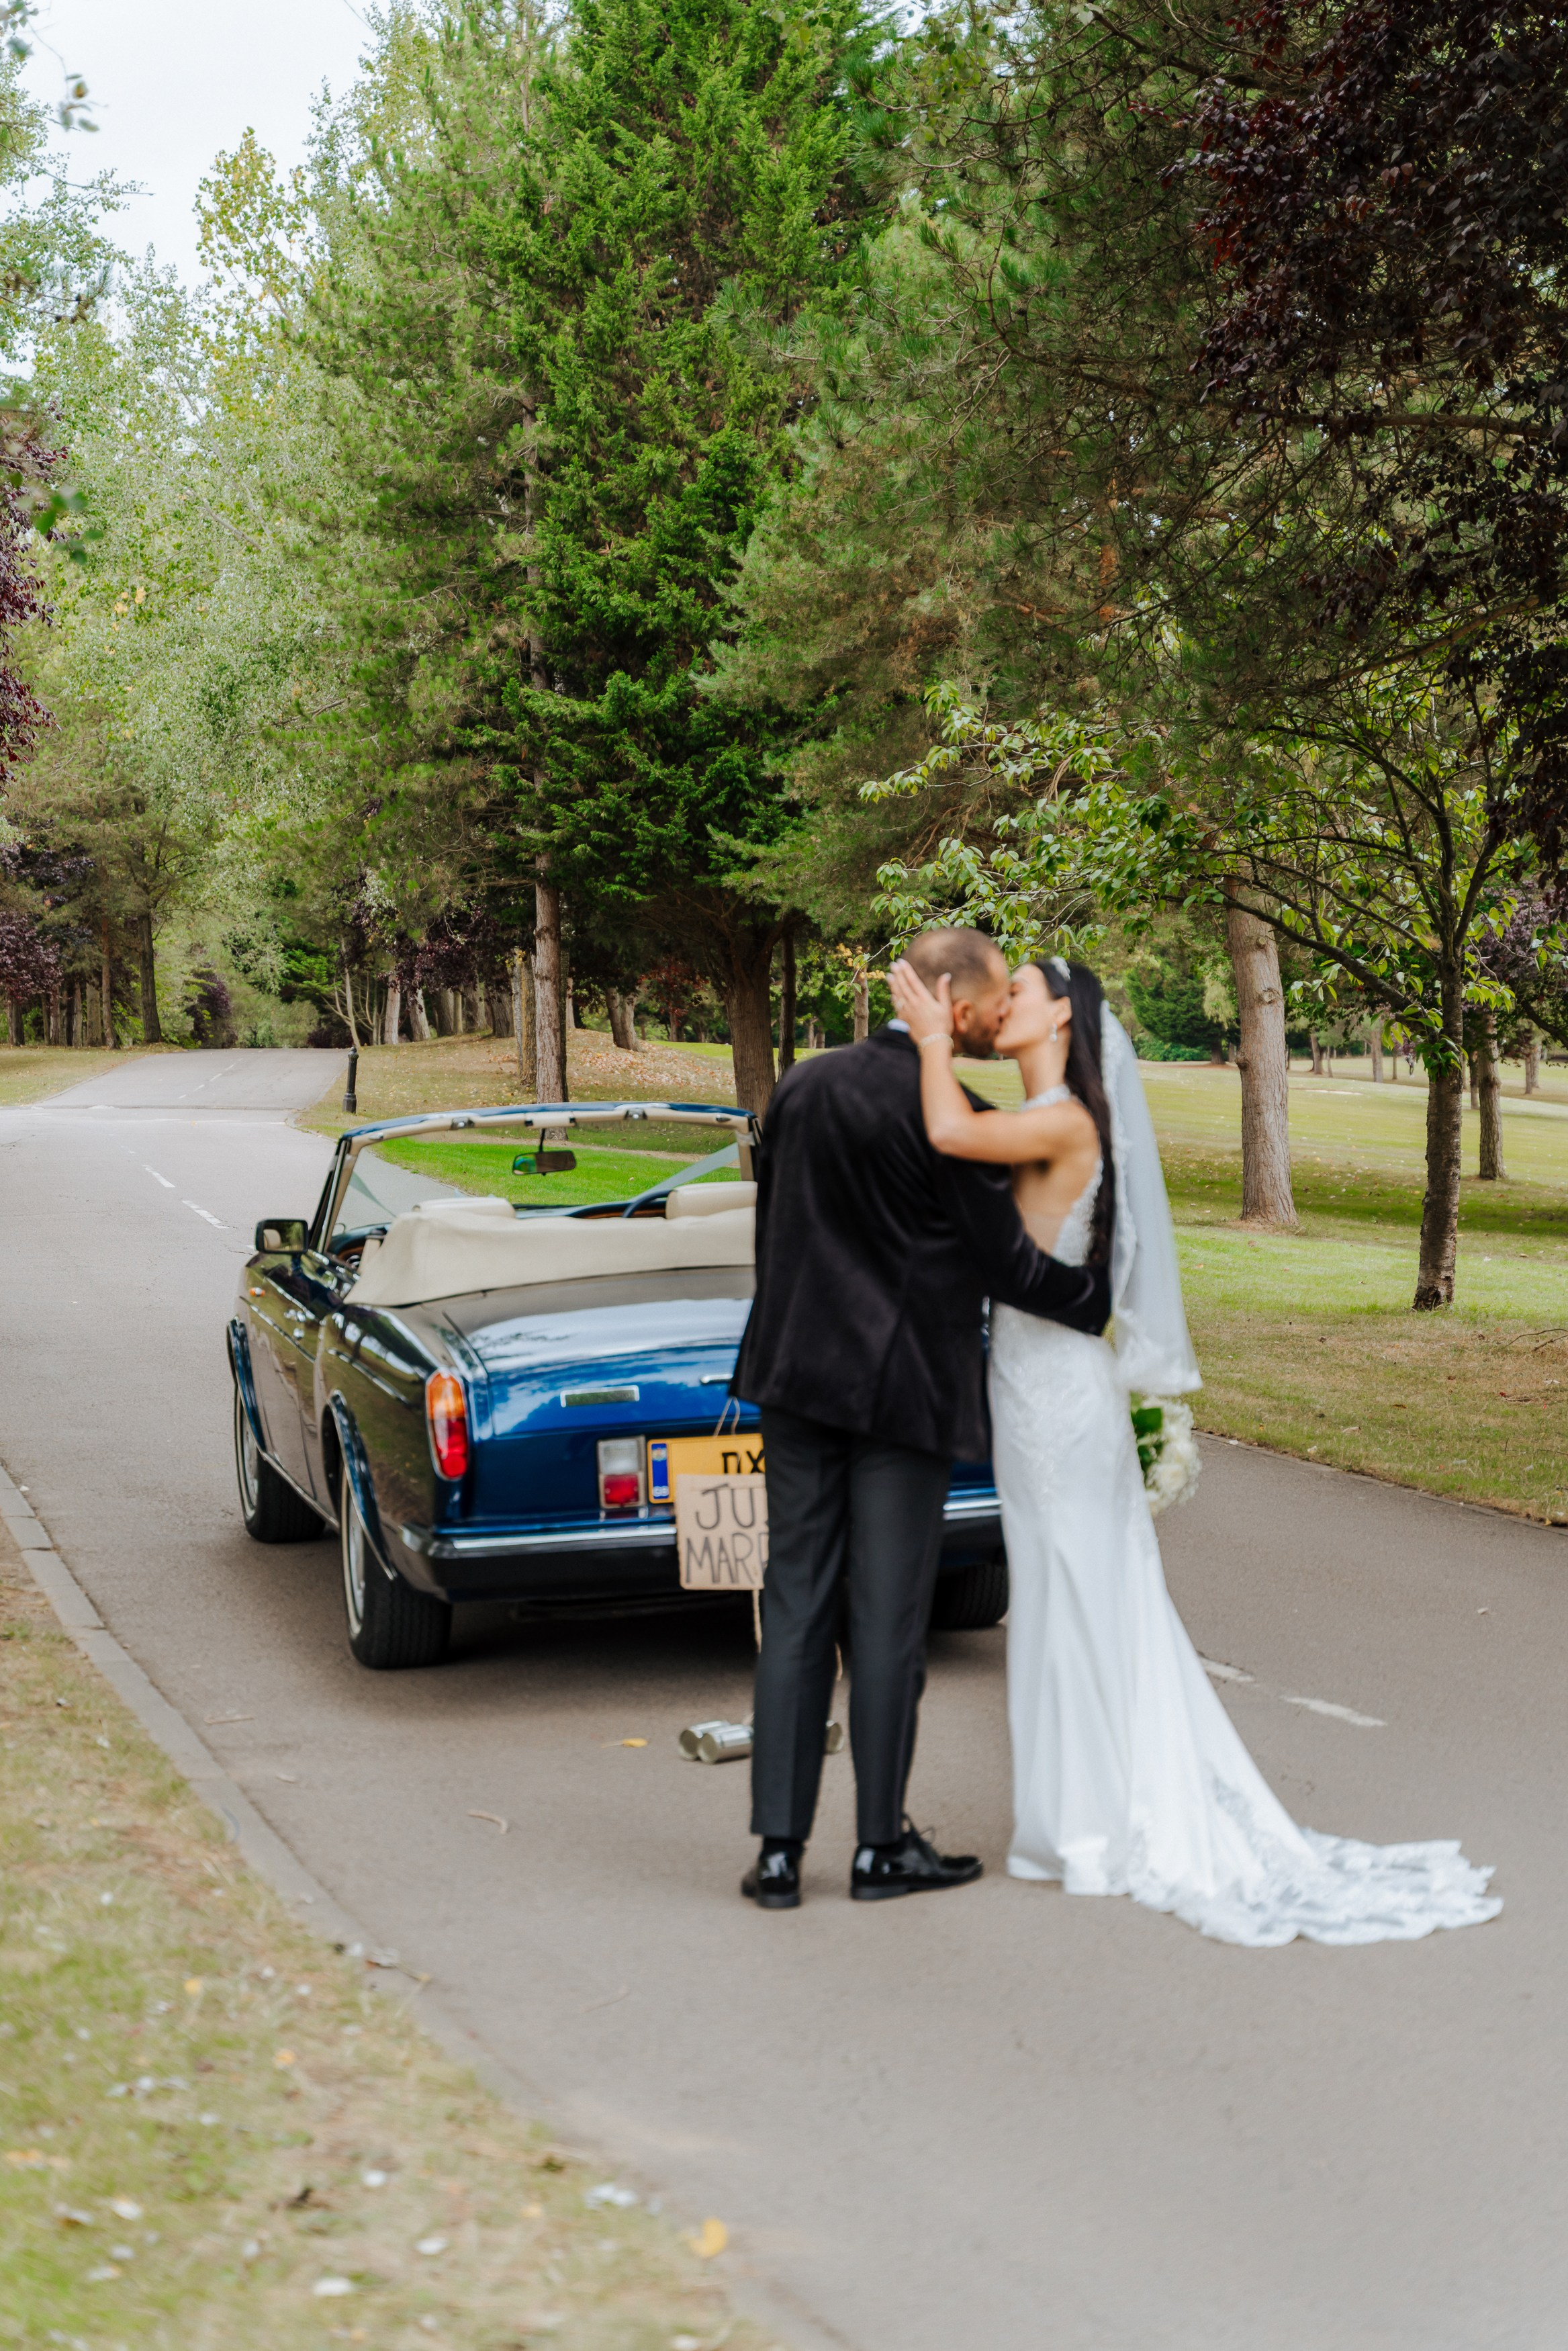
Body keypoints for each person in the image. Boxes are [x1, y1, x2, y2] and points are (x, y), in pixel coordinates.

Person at [887, 946, 1502, 1947]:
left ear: (1062, 1021)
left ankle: (1097, 1826)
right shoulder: (1048, 1115)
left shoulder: (1067, 1120)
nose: (1003, 1006)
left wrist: (923, 1037)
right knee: (1058, 1597)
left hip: (1056, 1399)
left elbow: (950, 1129)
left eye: (1024, 995)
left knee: (1082, 1598)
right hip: (1034, 1387)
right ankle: (1076, 1816)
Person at [730, 928, 1110, 1910]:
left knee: (797, 1606)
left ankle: (777, 1854)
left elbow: (775, 1234)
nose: (993, 1022)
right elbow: (1009, 1270)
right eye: (987, 1005)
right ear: (951, 1001)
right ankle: (878, 1849)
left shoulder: (803, 1089)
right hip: (902, 1398)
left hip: (797, 1383)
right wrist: (1101, 1304)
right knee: (888, 1622)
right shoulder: (957, 1117)